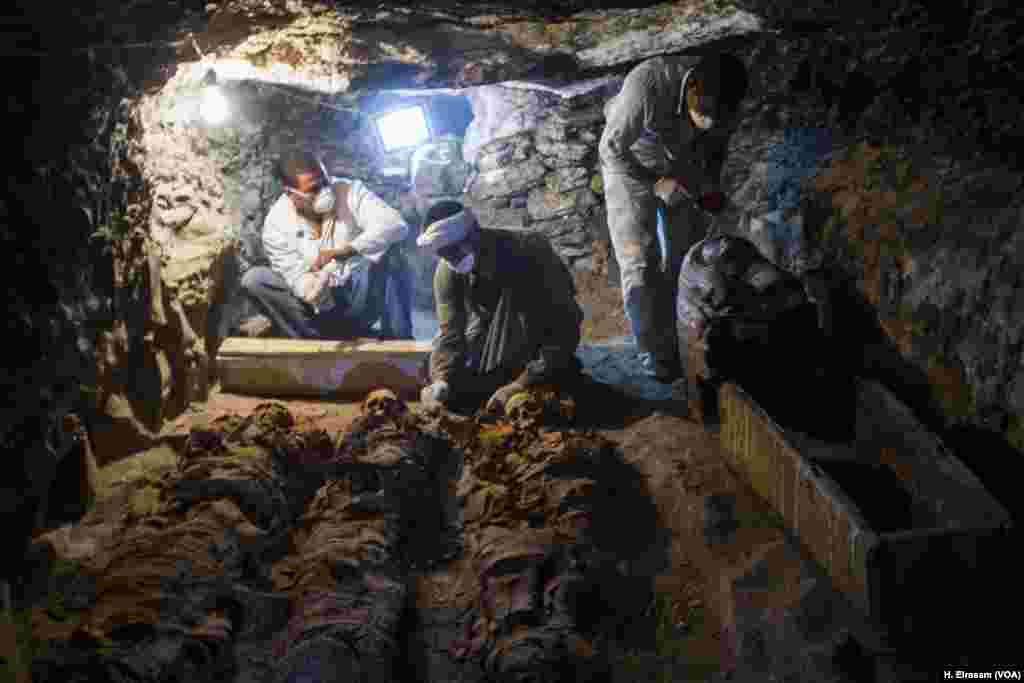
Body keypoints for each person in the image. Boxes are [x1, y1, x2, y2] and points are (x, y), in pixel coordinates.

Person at [598, 52, 748, 381]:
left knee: (687, 254)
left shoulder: (720, 91)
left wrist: (709, 193)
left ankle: (681, 338)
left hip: (675, 163)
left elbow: (706, 153)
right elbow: (610, 150)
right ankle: (655, 356)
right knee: (640, 261)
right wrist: (655, 183)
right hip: (628, 166)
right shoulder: (648, 85)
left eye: (717, 115)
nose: (709, 119)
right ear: (690, 86)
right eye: (704, 112)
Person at [416, 201, 584, 413]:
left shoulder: (529, 251)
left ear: (474, 232)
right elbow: (450, 333)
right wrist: (441, 380)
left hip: (535, 327)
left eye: (455, 249)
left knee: (552, 388)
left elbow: (565, 324)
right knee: (442, 374)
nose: (452, 259)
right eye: (445, 254)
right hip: (488, 330)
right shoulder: (448, 270)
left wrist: (520, 384)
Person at [240, 148, 414, 340]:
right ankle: (313, 340)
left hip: (357, 296)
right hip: (315, 313)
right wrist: (314, 289)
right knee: (255, 279)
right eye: (314, 189)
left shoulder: (349, 191)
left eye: (325, 182)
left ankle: (399, 342)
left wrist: (348, 250)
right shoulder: (276, 223)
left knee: (392, 253)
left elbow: (395, 225)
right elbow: (294, 275)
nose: (324, 192)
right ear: (291, 193)